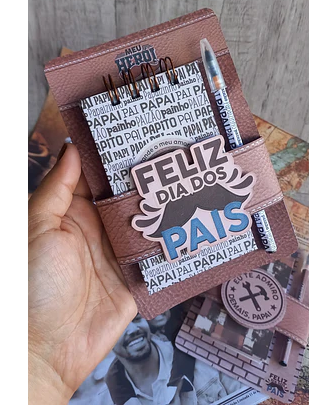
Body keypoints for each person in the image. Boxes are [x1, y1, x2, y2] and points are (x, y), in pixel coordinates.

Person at [27, 145, 241, 404]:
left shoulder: (201, 363)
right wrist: (38, 357)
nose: (132, 330)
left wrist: (39, 362)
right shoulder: (103, 394)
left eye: (137, 318)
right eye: (124, 327)